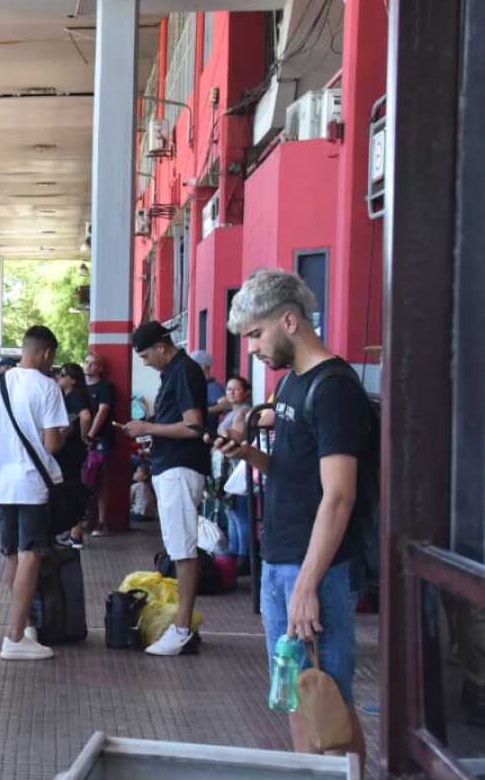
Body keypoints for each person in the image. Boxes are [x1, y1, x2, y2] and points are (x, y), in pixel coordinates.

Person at [214, 268, 373, 750]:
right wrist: (251, 456)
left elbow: (340, 494)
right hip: (282, 562)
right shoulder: (292, 385)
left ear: (288, 321)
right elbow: (294, 468)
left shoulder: (334, 389)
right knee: (296, 696)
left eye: (255, 334)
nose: (252, 349)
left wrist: (306, 583)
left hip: (316, 570)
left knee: (328, 703)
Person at [0, 326, 70, 661]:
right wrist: (65, 432)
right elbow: (52, 444)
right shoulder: (48, 387)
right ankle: (14, 637)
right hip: (32, 483)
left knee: (13, 554)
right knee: (31, 554)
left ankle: (26, 626)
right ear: (45, 353)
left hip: (1, 483)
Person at [123, 321, 210, 656]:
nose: (145, 361)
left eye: (145, 355)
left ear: (162, 346)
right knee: (179, 547)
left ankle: (183, 628)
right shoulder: (174, 373)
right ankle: (182, 626)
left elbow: (194, 426)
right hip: (170, 466)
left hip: (180, 469)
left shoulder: (184, 371)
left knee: (184, 551)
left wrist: (149, 426)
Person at [54, 363, 95, 548]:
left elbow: (85, 416)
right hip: (70, 449)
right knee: (71, 487)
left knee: (72, 488)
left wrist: (83, 436)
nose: (59, 378)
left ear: (72, 379)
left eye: (63, 375)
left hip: (72, 450)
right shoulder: (69, 396)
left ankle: (75, 533)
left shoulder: (75, 396)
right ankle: (72, 531)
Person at [218, 375, 254, 573]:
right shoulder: (231, 412)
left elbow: (238, 435)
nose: (231, 392)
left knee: (240, 514)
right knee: (231, 513)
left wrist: (223, 435)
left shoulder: (244, 411)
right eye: (228, 389)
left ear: (246, 392)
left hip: (238, 468)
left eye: (236, 389)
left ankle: (244, 556)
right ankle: (234, 552)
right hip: (228, 470)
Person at [79, 352, 116, 539]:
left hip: (101, 440)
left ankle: (102, 521)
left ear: (100, 368)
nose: (88, 366)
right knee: (82, 478)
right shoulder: (79, 387)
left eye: (93, 364)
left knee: (101, 479)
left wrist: (91, 435)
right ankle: (83, 518)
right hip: (79, 441)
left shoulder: (105, 387)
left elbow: (103, 411)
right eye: (86, 362)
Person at [192, 350, 229, 419]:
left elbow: (226, 404)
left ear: (202, 366)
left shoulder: (212, 386)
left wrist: (202, 411)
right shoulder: (202, 384)